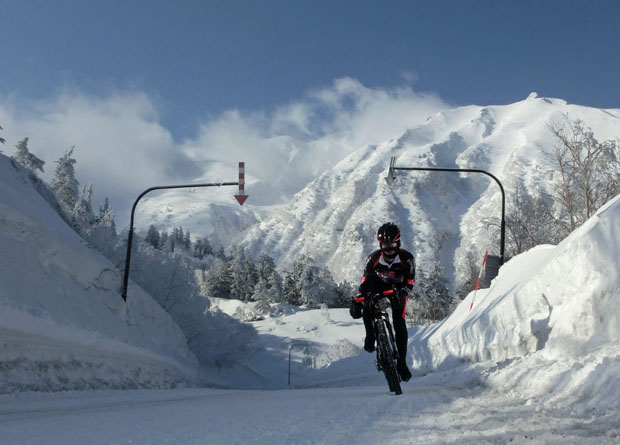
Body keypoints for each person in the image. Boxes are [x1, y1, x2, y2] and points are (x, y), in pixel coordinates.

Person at [350, 222, 415, 382]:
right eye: (385, 244)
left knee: (399, 321)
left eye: (392, 244)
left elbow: (410, 282)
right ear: (380, 244)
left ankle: (401, 362)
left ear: (398, 242)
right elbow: (365, 282)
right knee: (368, 304)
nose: (389, 248)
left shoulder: (407, 259)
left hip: (398, 288)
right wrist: (358, 300)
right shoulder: (372, 259)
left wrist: (403, 291)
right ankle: (370, 335)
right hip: (376, 285)